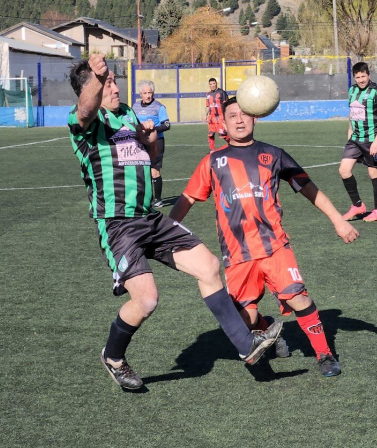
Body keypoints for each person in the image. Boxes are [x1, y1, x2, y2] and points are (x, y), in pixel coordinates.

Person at [67, 54, 283, 391]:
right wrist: (97, 77)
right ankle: (113, 356)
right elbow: (85, 109)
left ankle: (246, 345)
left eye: (113, 81)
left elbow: (149, 157)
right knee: (146, 300)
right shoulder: (84, 123)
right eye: (107, 84)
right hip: (118, 225)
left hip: (150, 218)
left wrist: (149, 141)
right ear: (90, 87)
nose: (115, 88)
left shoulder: (127, 114)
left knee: (209, 266)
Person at [169, 97, 360, 377]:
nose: (239, 120)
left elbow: (308, 187)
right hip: (237, 253)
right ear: (223, 123)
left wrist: (338, 220)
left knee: (298, 298)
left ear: (255, 117)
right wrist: (167, 231)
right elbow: (188, 197)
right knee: (243, 320)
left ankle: (324, 354)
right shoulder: (213, 161)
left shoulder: (273, 154)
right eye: (232, 115)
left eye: (244, 114)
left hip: (274, 246)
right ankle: (268, 327)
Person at [340, 62, 377, 222]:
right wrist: (349, 132)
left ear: (369, 75)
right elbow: (352, 113)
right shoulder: (352, 91)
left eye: (363, 76)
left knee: (373, 172)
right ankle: (357, 205)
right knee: (344, 170)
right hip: (355, 138)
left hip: (372, 139)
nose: (361, 80)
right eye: (358, 77)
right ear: (354, 78)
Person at [132, 80, 170, 208]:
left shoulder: (159, 107)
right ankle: (148, 198)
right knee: (143, 171)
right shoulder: (135, 107)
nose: (148, 96)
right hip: (140, 142)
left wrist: (152, 129)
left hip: (156, 142)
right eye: (145, 93)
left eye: (150, 93)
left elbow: (167, 125)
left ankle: (158, 199)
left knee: (154, 171)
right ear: (140, 94)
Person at [205, 77, 229, 151]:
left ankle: (234, 146)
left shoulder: (221, 92)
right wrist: (205, 115)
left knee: (223, 134)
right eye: (211, 84)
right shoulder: (208, 94)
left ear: (216, 83)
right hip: (211, 117)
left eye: (214, 83)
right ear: (209, 85)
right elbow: (208, 106)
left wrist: (226, 115)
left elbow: (227, 104)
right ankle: (211, 150)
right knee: (210, 134)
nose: (212, 85)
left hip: (220, 117)